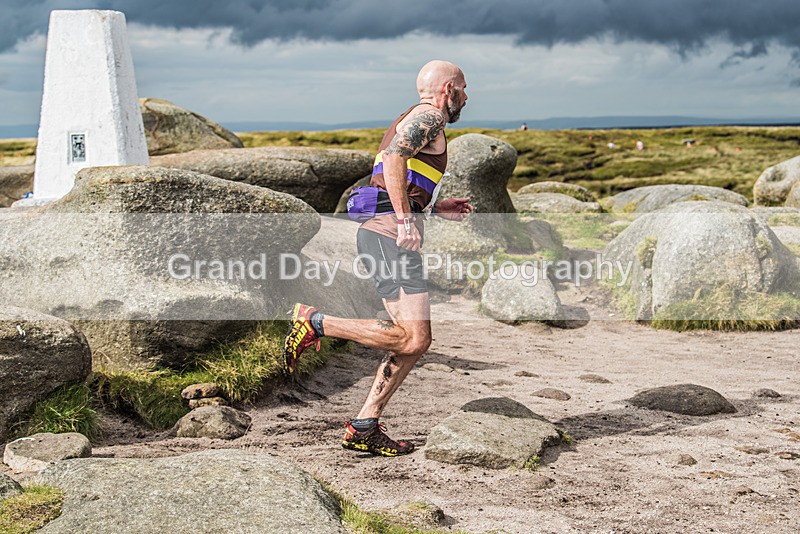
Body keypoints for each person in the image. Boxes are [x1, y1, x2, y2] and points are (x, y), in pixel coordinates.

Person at [282, 60, 473, 457]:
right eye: (464, 89)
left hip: (383, 232)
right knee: (414, 338)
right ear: (448, 89)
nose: (467, 97)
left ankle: (365, 424)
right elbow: (394, 161)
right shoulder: (430, 116)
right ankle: (316, 322)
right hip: (389, 236)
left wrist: (434, 210)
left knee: (414, 341)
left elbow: (394, 177)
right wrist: (406, 223)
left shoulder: (416, 116)